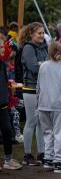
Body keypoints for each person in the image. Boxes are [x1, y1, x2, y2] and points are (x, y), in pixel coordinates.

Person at [37, 42, 61, 173]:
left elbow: (38, 87)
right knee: (59, 133)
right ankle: (58, 162)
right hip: (57, 106)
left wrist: (38, 104)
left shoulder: (42, 66)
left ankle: (48, 159)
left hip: (42, 105)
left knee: (47, 133)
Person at [21, 22, 48, 166]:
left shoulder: (44, 47)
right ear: (31, 34)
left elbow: (48, 65)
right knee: (31, 121)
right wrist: (43, 65)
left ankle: (41, 153)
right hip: (30, 89)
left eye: (43, 33)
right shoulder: (28, 48)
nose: (42, 35)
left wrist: (41, 64)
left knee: (40, 123)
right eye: (39, 33)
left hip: (42, 89)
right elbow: (32, 67)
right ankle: (27, 155)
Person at [0, 37, 23, 170]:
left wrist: (9, 85)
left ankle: (8, 160)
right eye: (2, 47)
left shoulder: (2, 64)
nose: (5, 49)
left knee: (8, 131)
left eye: (4, 46)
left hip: (3, 103)